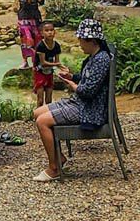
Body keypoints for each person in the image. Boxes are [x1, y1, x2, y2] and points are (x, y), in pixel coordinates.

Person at [32, 18, 113, 182]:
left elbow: (88, 91)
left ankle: (54, 168)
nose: (79, 43)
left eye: (81, 40)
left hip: (89, 109)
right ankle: (58, 157)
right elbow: (89, 79)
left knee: (42, 122)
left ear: (91, 40)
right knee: (37, 112)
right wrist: (72, 77)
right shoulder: (95, 56)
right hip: (81, 102)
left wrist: (73, 85)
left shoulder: (101, 60)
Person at [31, 23, 63, 107]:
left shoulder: (56, 46)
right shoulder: (40, 46)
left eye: (51, 30)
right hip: (39, 72)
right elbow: (43, 63)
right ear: (42, 33)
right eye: (47, 30)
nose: (50, 32)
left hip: (49, 72)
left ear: (54, 32)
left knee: (49, 99)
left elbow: (57, 61)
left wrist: (63, 68)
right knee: (40, 100)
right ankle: (38, 117)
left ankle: (47, 116)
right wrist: (57, 64)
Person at [17, 0, 44, 68]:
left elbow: (41, 1)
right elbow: (24, 3)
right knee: (27, 40)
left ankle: (36, 61)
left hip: (35, 18)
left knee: (38, 40)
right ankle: (25, 61)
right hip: (24, 19)